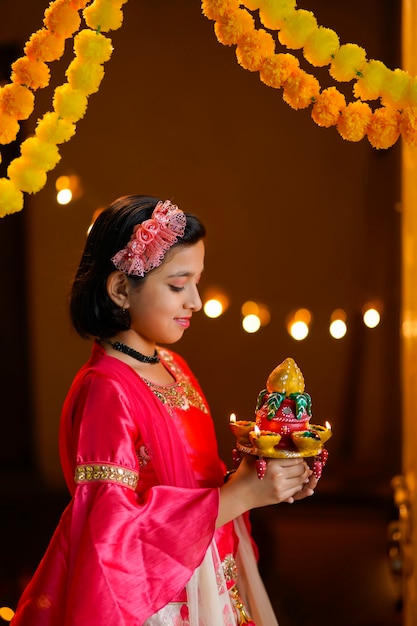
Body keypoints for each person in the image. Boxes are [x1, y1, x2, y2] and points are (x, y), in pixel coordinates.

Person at [11, 195, 318, 626]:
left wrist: (266, 478)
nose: (194, 300)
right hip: (159, 601)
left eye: (197, 281)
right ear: (120, 289)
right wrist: (238, 495)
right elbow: (110, 541)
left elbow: (193, 482)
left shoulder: (174, 366)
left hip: (209, 571)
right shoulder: (106, 391)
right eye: (178, 284)